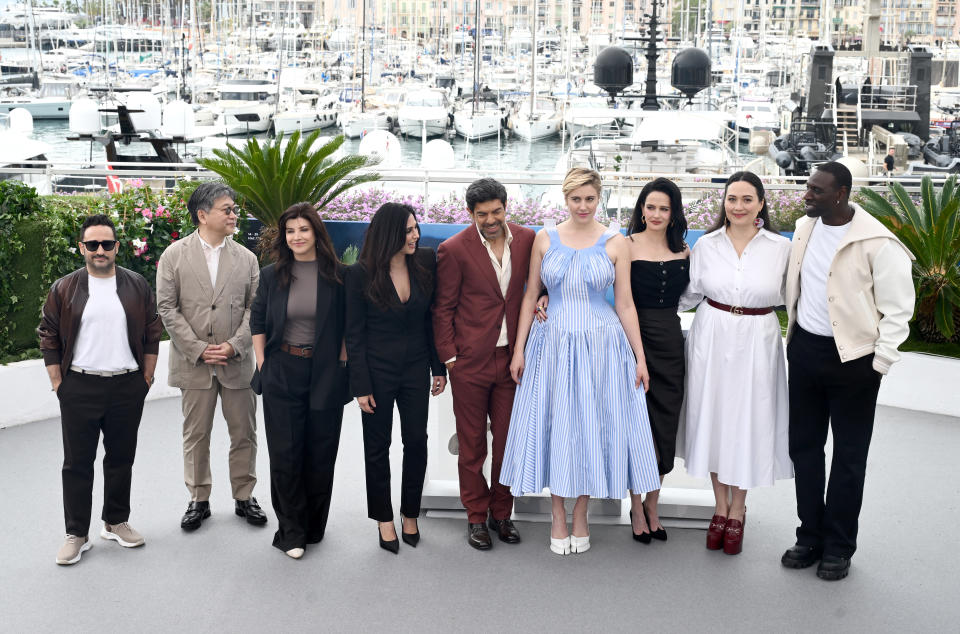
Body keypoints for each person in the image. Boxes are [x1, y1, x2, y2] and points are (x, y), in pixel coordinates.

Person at [500, 168, 661, 556]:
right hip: (551, 344)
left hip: (601, 346)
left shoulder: (615, 241)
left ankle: (581, 513)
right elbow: (529, 296)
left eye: (590, 199)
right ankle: (557, 513)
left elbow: (624, 302)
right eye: (576, 199)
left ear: (598, 198)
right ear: (565, 198)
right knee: (554, 424)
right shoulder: (545, 238)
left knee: (593, 425)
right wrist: (519, 348)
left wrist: (640, 358)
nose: (583, 206)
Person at [781, 162, 914, 581]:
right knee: (804, 448)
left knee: (849, 458)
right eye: (807, 188)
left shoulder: (877, 242)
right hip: (805, 352)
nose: (806, 196)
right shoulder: (806, 228)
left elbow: (898, 309)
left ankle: (839, 546)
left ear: (840, 194)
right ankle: (810, 536)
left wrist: (880, 362)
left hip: (854, 362)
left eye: (816, 191)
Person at [679, 171, 793, 556]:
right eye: (732, 199)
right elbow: (688, 295)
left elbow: (796, 299)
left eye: (747, 199)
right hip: (711, 334)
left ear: (761, 203)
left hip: (759, 337)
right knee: (713, 416)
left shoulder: (781, 248)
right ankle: (720, 506)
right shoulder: (706, 245)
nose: (738, 206)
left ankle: (739, 509)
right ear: (723, 203)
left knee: (749, 419)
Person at [38, 214, 162, 565]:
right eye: (92, 244)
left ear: (116, 247)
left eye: (107, 244)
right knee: (77, 463)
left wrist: (146, 378)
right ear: (82, 248)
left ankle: (115, 521)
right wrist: (58, 383)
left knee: (121, 458)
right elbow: (47, 332)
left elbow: (153, 331)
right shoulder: (65, 287)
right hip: (79, 385)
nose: (100, 250)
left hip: (127, 385)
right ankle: (76, 533)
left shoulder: (137, 285)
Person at [432, 178, 536, 551]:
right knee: (473, 445)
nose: (490, 220)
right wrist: (451, 359)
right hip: (470, 363)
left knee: (508, 443)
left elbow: (537, 285)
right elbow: (442, 307)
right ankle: (476, 517)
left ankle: (502, 513)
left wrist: (543, 301)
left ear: (506, 207)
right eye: (482, 215)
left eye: (496, 212)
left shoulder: (527, 240)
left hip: (512, 361)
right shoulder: (453, 249)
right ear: (470, 213)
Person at [157, 182, 266, 531]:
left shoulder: (247, 259)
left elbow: (256, 309)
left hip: (237, 363)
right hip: (194, 364)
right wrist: (199, 349)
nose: (235, 215)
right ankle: (198, 498)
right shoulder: (173, 255)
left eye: (234, 209)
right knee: (196, 435)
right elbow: (167, 308)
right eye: (228, 209)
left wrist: (235, 345)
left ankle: (244, 495)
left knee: (244, 433)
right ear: (202, 215)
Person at [344, 203, 447, 554]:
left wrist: (438, 367)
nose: (415, 235)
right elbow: (354, 335)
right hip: (376, 372)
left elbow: (430, 320)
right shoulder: (359, 275)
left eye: (416, 228)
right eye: (407, 230)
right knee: (377, 448)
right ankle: (384, 519)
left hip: (415, 368)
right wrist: (360, 385)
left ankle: (410, 513)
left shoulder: (425, 263)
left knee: (416, 441)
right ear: (389, 233)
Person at [250, 203, 351, 560]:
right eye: (290, 231)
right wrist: (264, 364)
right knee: (286, 454)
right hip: (282, 370)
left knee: (321, 453)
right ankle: (291, 530)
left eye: (303, 230)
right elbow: (258, 322)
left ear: (316, 233)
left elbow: (347, 326)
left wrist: (341, 363)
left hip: (325, 372)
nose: (296, 237)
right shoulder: (271, 274)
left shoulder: (338, 275)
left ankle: (313, 526)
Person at [625, 177, 690, 543]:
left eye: (664, 208)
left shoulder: (684, 250)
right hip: (634, 340)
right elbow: (591, 279)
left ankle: (653, 503)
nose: (656, 214)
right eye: (650, 207)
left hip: (670, 343)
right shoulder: (625, 245)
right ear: (641, 209)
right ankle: (636, 506)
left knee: (665, 424)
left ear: (673, 212)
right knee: (640, 424)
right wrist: (545, 296)